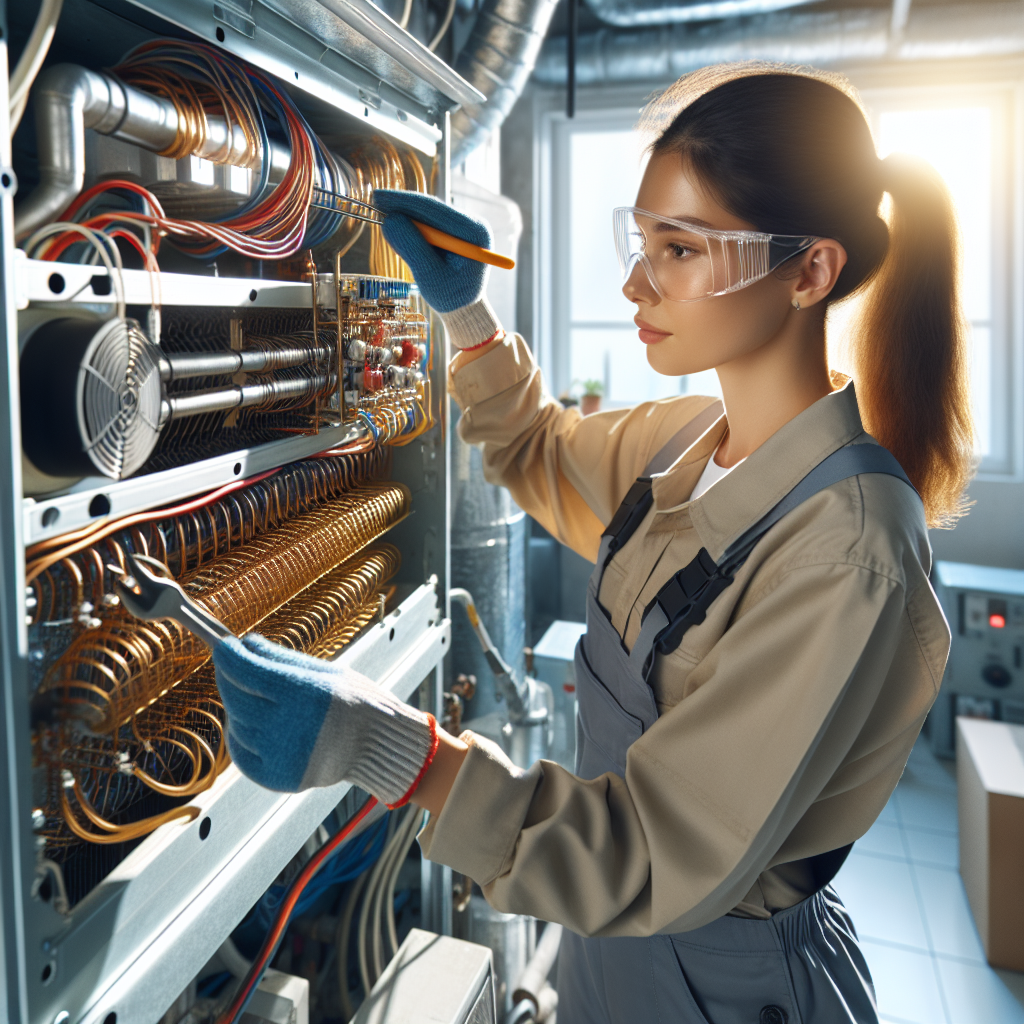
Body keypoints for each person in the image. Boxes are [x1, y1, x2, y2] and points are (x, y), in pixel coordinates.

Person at [213, 63, 975, 1023]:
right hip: (607, 943)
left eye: (681, 248)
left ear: (810, 271)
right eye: (642, 238)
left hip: (725, 979)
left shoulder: (849, 551)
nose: (634, 281)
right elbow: (539, 451)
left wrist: (389, 749)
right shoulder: (686, 441)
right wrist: (462, 306)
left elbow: (654, 851)